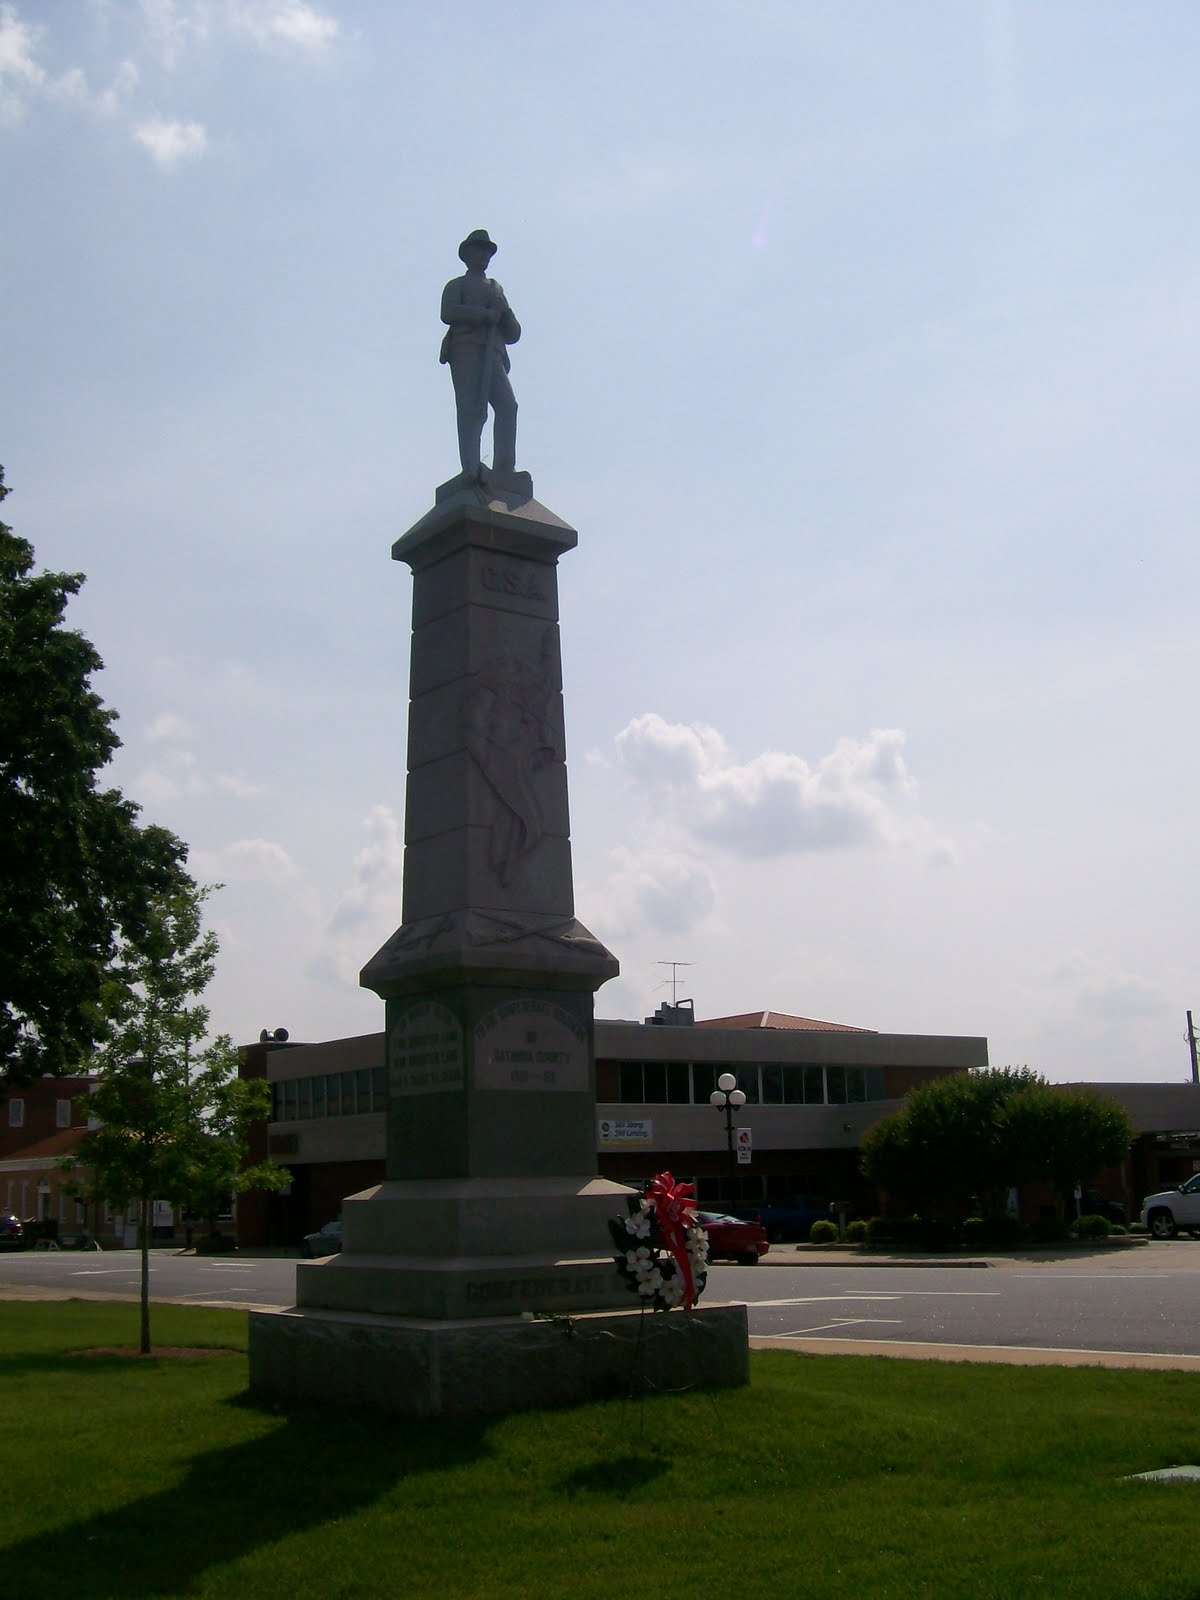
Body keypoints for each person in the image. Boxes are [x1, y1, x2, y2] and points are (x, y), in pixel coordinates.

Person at [440, 229, 521, 480]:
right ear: (467, 255)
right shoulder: (457, 285)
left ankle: (505, 469)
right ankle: (471, 468)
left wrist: (504, 314)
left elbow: (513, 333)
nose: (484, 256)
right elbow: (448, 313)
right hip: (466, 348)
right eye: (479, 251)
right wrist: (483, 315)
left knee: (508, 406)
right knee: (471, 408)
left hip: (493, 354)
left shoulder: (496, 288)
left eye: (487, 252)